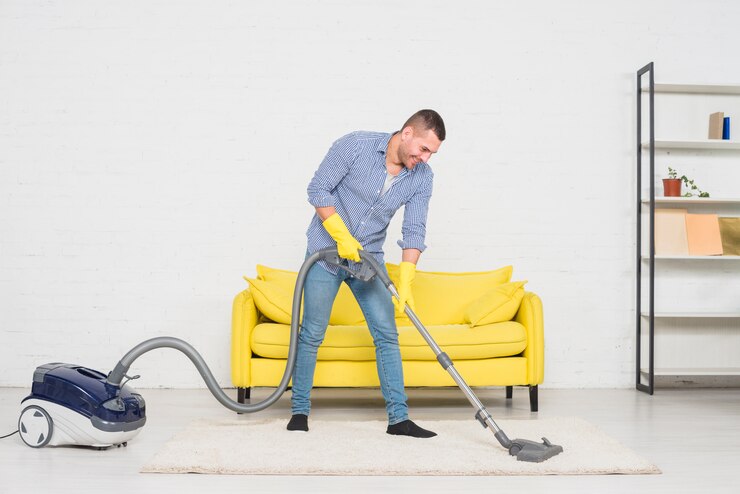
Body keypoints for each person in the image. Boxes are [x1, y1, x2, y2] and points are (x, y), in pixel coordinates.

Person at [287, 109, 445, 438]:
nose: (425, 159)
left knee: (386, 335)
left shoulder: (422, 178)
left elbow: (414, 229)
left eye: (431, 153)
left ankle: (398, 419)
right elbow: (318, 190)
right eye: (424, 149)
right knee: (312, 334)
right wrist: (340, 235)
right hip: (325, 254)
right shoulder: (355, 146)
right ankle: (299, 411)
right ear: (407, 134)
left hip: (367, 261)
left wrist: (406, 278)